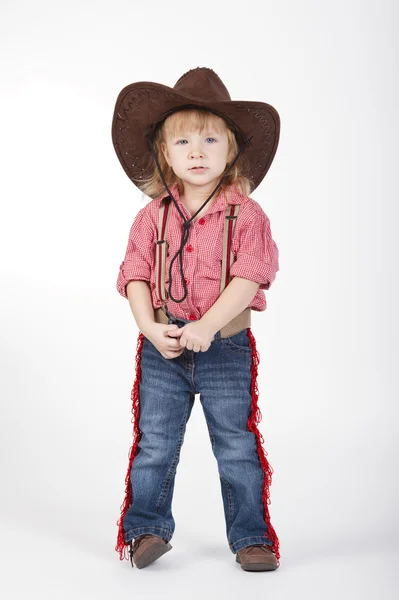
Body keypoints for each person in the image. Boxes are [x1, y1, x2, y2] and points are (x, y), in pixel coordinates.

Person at [111, 67, 281, 571]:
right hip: (162, 348)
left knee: (236, 444)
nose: (197, 151)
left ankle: (252, 536)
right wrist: (147, 326)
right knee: (154, 442)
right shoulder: (152, 216)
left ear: (231, 149)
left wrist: (207, 325)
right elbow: (135, 275)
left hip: (225, 347)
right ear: (165, 152)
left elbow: (250, 276)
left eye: (210, 139)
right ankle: (145, 530)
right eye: (183, 140)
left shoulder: (247, 215)